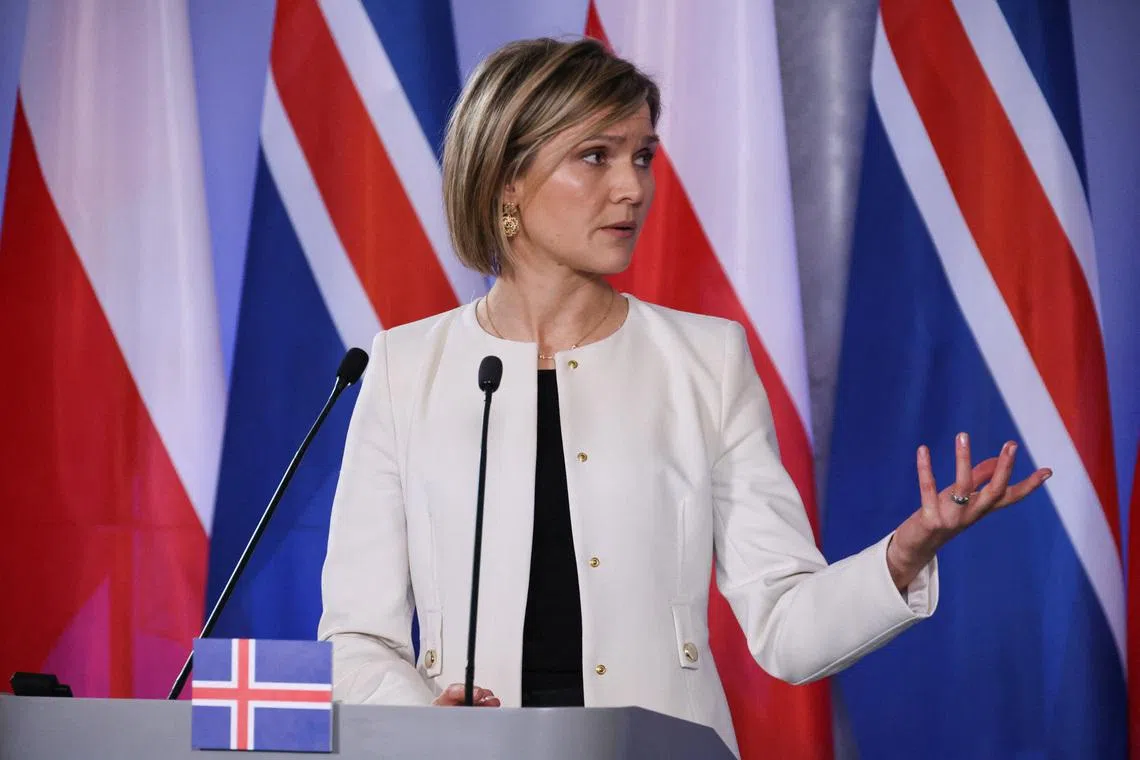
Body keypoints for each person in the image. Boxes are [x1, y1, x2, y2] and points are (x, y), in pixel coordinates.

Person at [316, 37, 1050, 756]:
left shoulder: (705, 360)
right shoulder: (406, 366)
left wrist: (903, 555)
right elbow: (357, 635)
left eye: (642, 156)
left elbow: (786, 624)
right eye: (596, 156)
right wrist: (422, 721)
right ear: (507, 176)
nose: (633, 186)